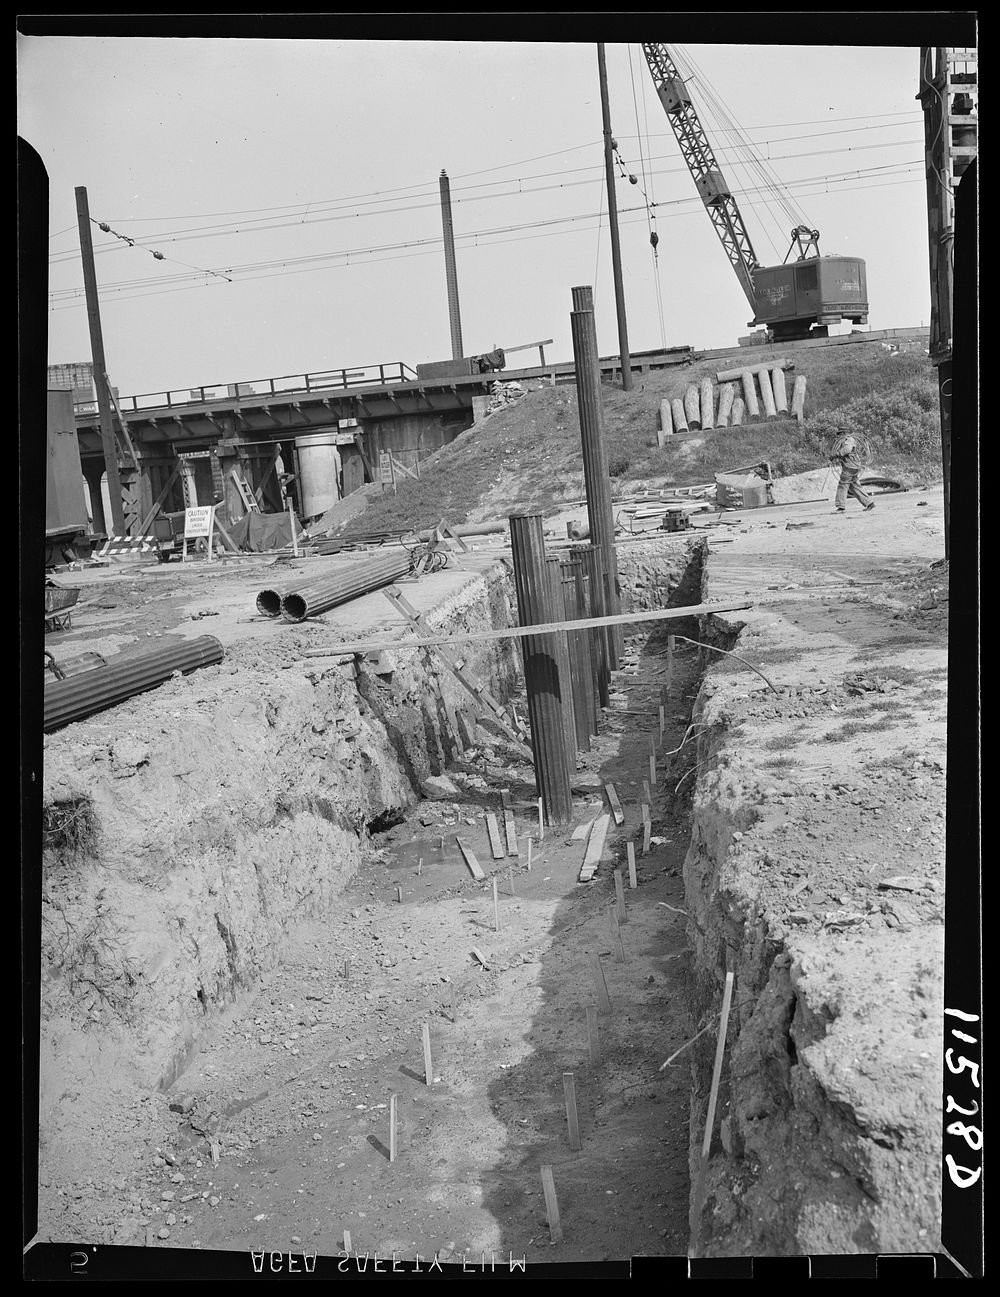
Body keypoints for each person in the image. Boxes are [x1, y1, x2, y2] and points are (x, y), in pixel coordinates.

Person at [829, 433, 875, 513]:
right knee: (854, 486)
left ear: (843, 433)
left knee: (843, 485)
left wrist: (835, 455)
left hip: (850, 466)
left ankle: (841, 507)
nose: (838, 436)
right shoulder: (848, 440)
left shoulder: (848, 440)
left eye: (839, 434)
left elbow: (847, 449)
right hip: (853, 466)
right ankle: (869, 503)